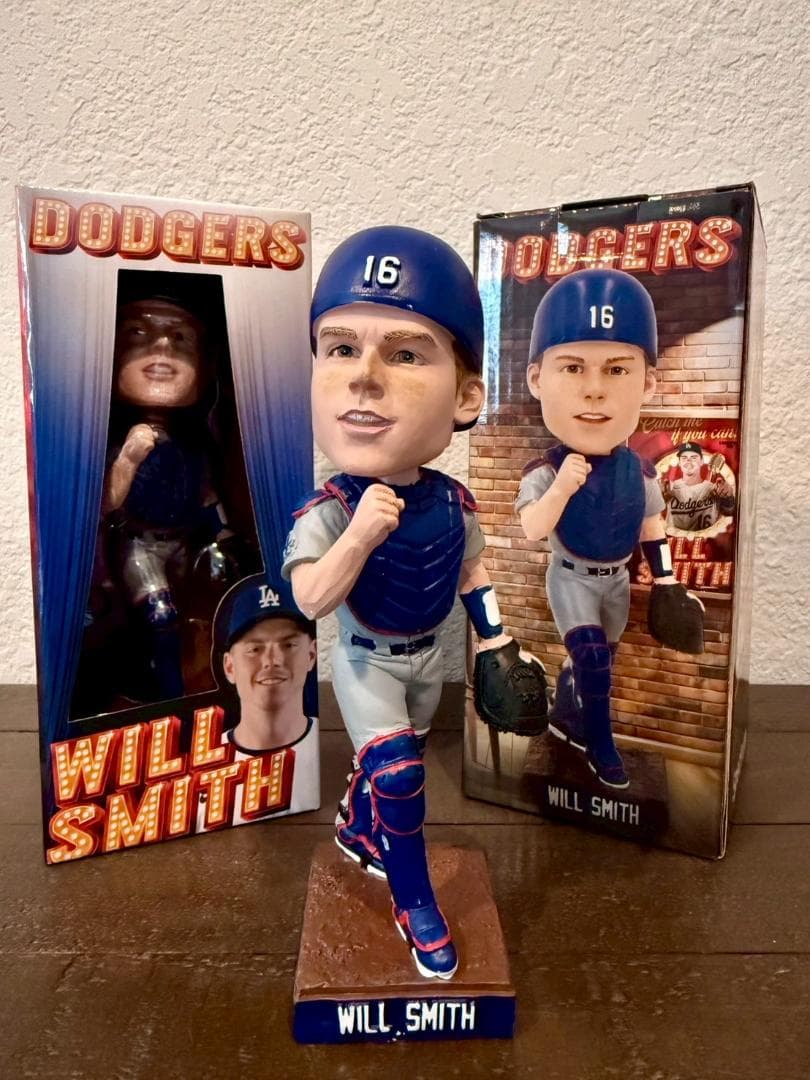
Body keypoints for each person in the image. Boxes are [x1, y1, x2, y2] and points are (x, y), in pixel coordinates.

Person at [282, 226, 547, 981]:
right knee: (400, 775)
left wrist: (495, 641)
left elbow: (471, 573)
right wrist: (360, 537)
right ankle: (415, 901)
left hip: (431, 660)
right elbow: (310, 598)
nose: (364, 378)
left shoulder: (453, 501)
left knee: (397, 764)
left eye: (404, 354)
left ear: (467, 396)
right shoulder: (331, 508)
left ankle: (360, 830)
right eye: (340, 348)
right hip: (367, 661)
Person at [517, 269, 704, 791]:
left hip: (616, 581)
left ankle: (566, 719)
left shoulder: (639, 471)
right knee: (593, 659)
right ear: (537, 379)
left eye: (617, 369)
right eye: (573, 367)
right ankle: (602, 745)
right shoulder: (546, 469)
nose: (595, 390)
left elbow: (651, 525)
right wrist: (561, 489)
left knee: (596, 665)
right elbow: (532, 528)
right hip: (571, 577)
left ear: (648, 382)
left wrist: (666, 580)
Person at [102, 273, 237, 701]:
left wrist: (221, 535)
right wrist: (128, 459)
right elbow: (105, 504)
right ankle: (165, 697)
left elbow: (208, 495)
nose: (162, 349)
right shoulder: (113, 439)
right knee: (159, 615)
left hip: (183, 542)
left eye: (180, 338)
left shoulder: (196, 441)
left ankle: (194, 685)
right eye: (138, 334)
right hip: (137, 543)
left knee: (202, 609)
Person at [196, 573, 318, 831]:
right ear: (229, 666)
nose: (272, 660)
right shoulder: (202, 771)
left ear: (311, 654)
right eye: (255, 648)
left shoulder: (333, 756)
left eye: (288, 645)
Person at [663, 441, 736, 533]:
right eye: (684, 458)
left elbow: (729, 512)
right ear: (679, 463)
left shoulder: (715, 489)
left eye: (693, 457)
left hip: (707, 540)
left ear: (701, 461)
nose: (688, 461)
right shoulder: (670, 488)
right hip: (675, 539)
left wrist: (728, 498)